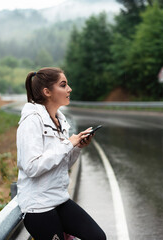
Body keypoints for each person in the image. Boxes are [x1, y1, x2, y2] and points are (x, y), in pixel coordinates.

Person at [16, 67, 106, 240]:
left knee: (97, 237)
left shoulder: (60, 120)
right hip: (39, 207)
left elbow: (61, 164)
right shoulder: (31, 121)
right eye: (63, 85)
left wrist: (77, 147)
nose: (69, 89)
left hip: (59, 199)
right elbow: (31, 167)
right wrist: (67, 144)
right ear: (47, 92)